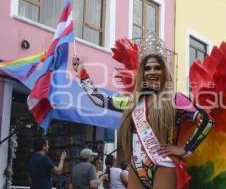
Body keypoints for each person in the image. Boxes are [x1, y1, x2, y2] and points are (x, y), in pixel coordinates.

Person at [72, 33, 214, 189]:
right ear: (143, 74)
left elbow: (206, 121)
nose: (152, 72)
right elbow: (101, 100)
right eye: (147, 68)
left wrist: (186, 149)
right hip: (136, 168)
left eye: (157, 68)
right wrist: (83, 75)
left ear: (164, 72)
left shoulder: (175, 99)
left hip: (163, 166)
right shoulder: (133, 102)